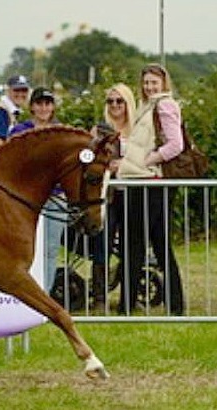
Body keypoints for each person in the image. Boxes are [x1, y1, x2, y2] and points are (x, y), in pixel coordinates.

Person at [117, 63, 184, 315]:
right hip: (146, 182)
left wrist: (148, 160)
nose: (149, 86)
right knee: (159, 245)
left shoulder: (164, 106)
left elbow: (175, 145)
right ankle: (175, 305)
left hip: (148, 182)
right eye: (146, 82)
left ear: (163, 83)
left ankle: (127, 305)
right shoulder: (149, 106)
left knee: (134, 244)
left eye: (153, 82)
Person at [88, 83, 137, 309]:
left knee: (131, 245)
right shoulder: (99, 130)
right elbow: (89, 159)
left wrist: (125, 165)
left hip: (133, 194)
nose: (115, 105)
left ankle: (129, 297)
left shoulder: (138, 129)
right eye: (111, 101)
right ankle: (100, 298)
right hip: (106, 195)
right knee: (102, 244)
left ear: (128, 103)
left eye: (120, 101)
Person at [9, 87, 63, 294]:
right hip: (26, 200)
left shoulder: (60, 132)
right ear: (32, 106)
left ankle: (45, 295)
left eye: (47, 103)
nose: (43, 108)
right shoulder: (19, 131)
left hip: (55, 198)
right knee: (23, 249)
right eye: (39, 103)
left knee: (50, 250)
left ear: (53, 107)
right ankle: (25, 297)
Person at [0, 75, 30, 154]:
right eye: (16, 90)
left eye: (24, 90)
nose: (20, 94)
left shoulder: (14, 112)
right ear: (8, 90)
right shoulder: (1, 110)